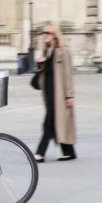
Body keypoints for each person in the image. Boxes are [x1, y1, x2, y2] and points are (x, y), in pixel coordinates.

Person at [31, 23, 77, 162]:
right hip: (49, 93)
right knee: (57, 120)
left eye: (48, 33)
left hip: (59, 94)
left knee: (49, 122)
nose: (45, 36)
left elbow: (68, 75)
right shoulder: (46, 52)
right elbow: (44, 75)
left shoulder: (63, 52)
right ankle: (69, 152)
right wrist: (40, 65)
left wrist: (69, 95)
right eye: (44, 34)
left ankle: (40, 153)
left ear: (55, 36)